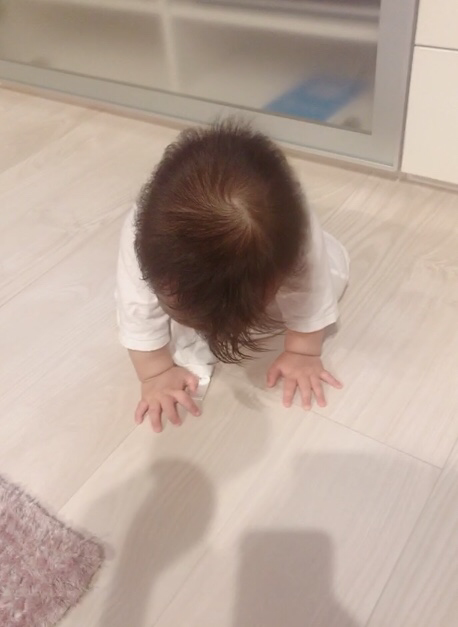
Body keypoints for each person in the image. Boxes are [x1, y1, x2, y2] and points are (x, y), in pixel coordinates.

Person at [116, 121, 349, 433]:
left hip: (283, 254)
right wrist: (155, 372)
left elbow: (312, 290)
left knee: (328, 279)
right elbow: (136, 305)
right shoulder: (142, 234)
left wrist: (302, 350)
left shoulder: (299, 235)